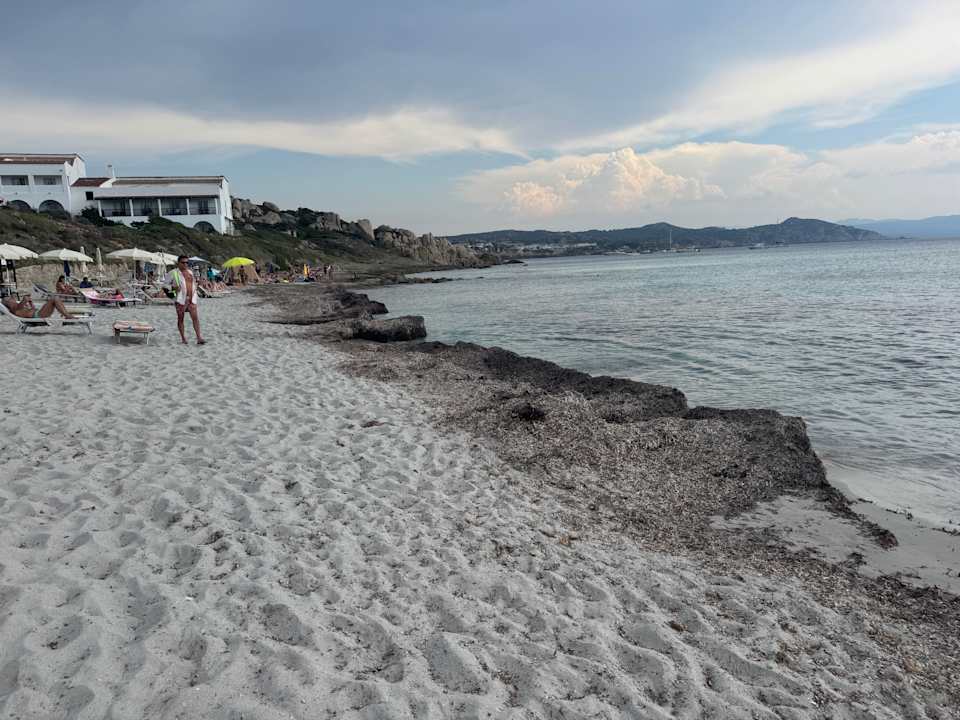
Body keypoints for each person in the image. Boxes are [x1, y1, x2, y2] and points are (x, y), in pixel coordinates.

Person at [169, 255, 206, 345]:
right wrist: (173, 290)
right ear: (178, 263)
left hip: (191, 299)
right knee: (181, 319)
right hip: (180, 299)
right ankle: (183, 338)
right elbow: (165, 286)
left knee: (195, 318)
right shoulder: (173, 273)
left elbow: (192, 283)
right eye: (183, 262)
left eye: (187, 262)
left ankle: (199, 337)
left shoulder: (190, 272)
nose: (185, 264)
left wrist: (197, 287)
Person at [2, 294, 78, 320]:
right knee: (54, 299)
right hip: (38, 315)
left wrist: (31, 303)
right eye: (10, 299)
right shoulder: (14, 309)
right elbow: (19, 306)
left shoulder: (17, 306)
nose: (13, 299)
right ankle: (67, 315)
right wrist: (25, 299)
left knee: (55, 299)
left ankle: (66, 314)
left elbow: (31, 308)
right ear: (8, 304)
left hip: (38, 312)